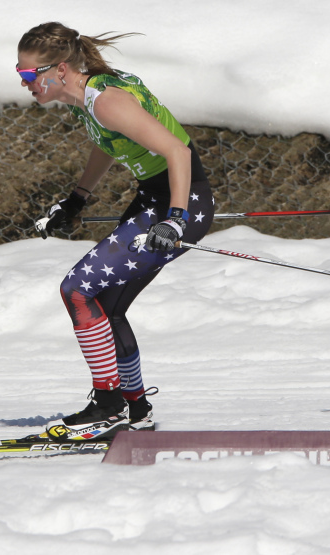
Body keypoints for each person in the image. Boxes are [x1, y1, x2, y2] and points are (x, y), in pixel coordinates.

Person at [17, 22, 215, 441]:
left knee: (77, 290)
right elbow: (105, 142)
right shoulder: (85, 101)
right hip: (158, 199)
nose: (25, 83)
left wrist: (175, 218)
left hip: (180, 202)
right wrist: (77, 199)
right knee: (106, 307)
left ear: (61, 70)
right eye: (20, 74)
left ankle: (108, 406)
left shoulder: (106, 101)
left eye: (30, 75)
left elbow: (177, 151)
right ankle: (136, 408)